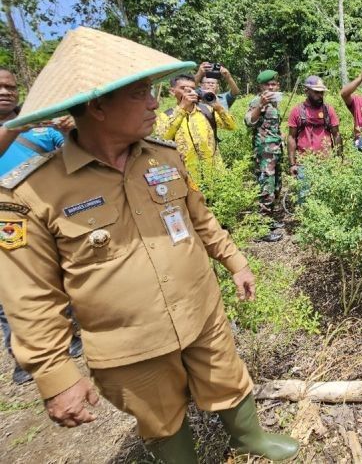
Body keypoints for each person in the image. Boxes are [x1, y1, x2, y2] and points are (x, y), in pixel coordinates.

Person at [0, 27, 298, 463]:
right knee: (158, 414)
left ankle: (248, 436)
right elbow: (29, 297)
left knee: (226, 375)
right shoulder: (31, 192)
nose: (155, 103)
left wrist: (235, 262)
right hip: (129, 342)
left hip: (200, 308)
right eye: (141, 94)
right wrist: (54, 374)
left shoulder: (164, 156)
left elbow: (200, 218)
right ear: (97, 105)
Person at [0, 68, 82, 385]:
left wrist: (70, 129)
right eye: (0, 87)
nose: (6, 91)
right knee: (12, 292)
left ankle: (69, 338)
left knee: (58, 276)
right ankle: (25, 358)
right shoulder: (21, 125)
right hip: (6, 221)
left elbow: (72, 154)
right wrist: (14, 127)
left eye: (10, 85)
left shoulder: (40, 126)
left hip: (46, 213)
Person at [154, 73, 237, 184]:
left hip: (214, 175)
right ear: (172, 91)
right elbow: (162, 138)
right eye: (183, 88)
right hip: (185, 177)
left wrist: (218, 106)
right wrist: (182, 108)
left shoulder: (207, 110)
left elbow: (231, 126)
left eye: (192, 89)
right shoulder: (166, 116)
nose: (189, 92)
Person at [245, 69, 284, 242]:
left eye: (274, 84)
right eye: (267, 84)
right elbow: (248, 121)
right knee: (265, 186)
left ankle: (269, 220)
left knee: (276, 185)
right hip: (265, 152)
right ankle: (262, 229)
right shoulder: (256, 102)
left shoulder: (275, 102)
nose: (271, 87)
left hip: (275, 150)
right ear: (261, 86)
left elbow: (272, 125)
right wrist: (260, 105)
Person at [287, 75, 343, 175]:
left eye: (322, 92)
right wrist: (292, 164)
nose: (320, 95)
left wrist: (339, 159)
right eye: (316, 92)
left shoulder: (328, 110)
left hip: (327, 163)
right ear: (306, 91)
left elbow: (336, 135)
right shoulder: (297, 111)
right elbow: (291, 137)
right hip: (304, 163)